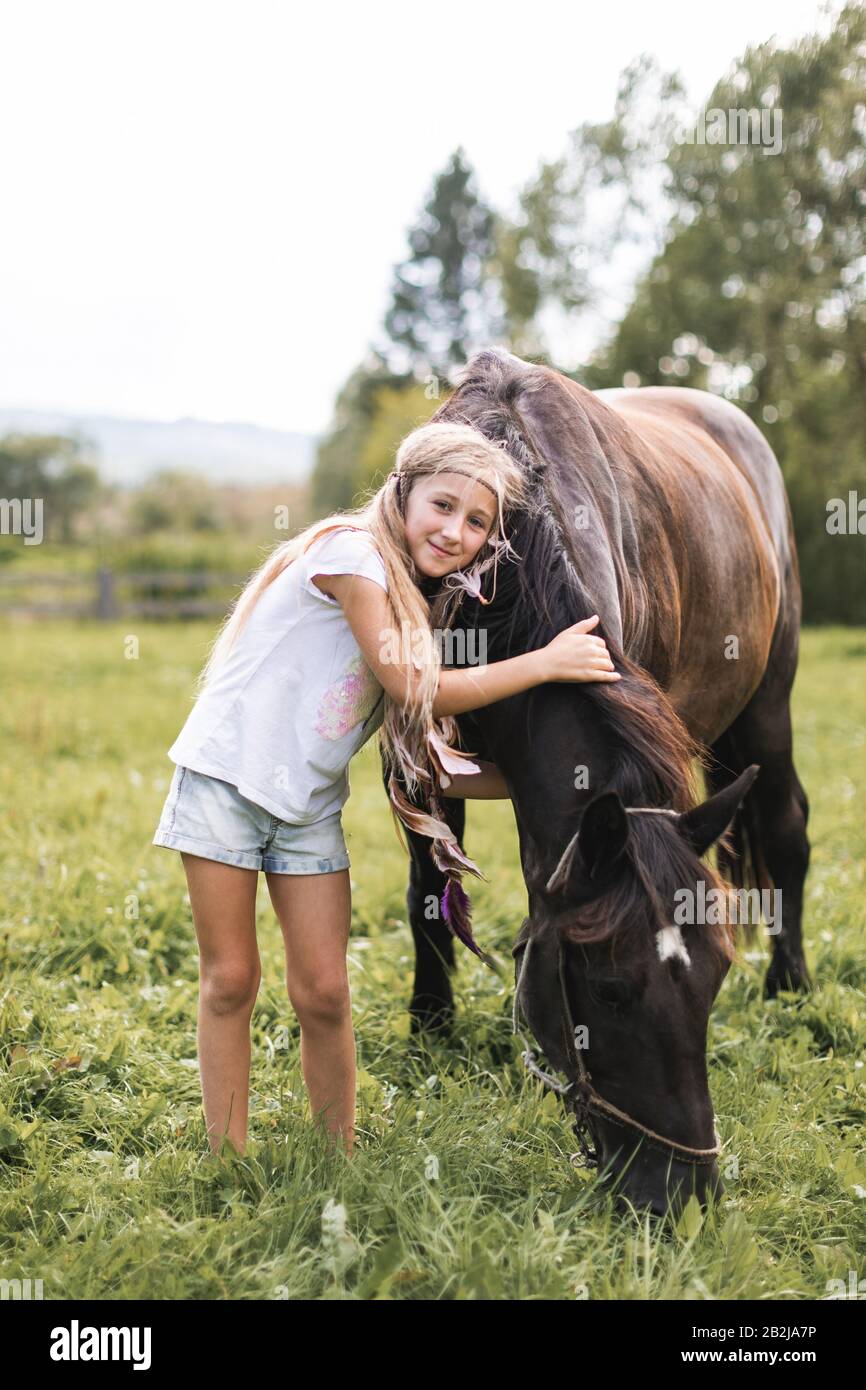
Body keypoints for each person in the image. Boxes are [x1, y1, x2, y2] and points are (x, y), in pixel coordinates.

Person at [151, 420, 620, 1160]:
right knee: (232, 978)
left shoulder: (417, 601)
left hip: (305, 810)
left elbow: (439, 763)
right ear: (402, 494)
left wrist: (558, 786)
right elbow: (414, 687)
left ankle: (338, 1154)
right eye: (442, 505)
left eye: (477, 522)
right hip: (226, 784)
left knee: (327, 993)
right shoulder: (352, 555)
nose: (455, 531)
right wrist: (545, 662)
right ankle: (226, 1157)